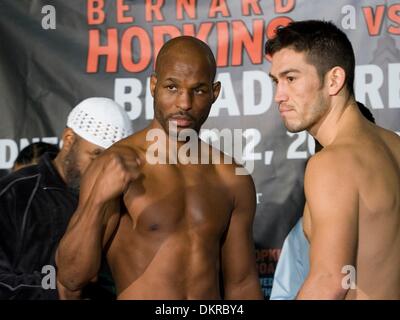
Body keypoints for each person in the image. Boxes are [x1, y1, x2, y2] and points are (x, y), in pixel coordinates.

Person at [56, 36, 263, 300]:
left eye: (198, 90)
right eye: (172, 87)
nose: (184, 103)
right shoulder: (117, 163)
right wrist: (97, 201)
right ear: (154, 86)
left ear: (215, 92)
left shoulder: (231, 177)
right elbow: (72, 280)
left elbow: (242, 284)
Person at [266, 20, 400, 299]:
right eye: (275, 81)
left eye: (291, 78)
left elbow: (330, 280)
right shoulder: (394, 145)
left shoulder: (331, 162)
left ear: (334, 80)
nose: (279, 95)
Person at [0, 97, 132, 299]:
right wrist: (54, 290)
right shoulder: (14, 193)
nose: (102, 168)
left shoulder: (121, 202)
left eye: (110, 160)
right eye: (96, 155)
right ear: (69, 139)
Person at [270, 102, 376, 300]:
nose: (340, 163)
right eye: (327, 151)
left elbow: (329, 280)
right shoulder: (300, 235)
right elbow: (284, 295)